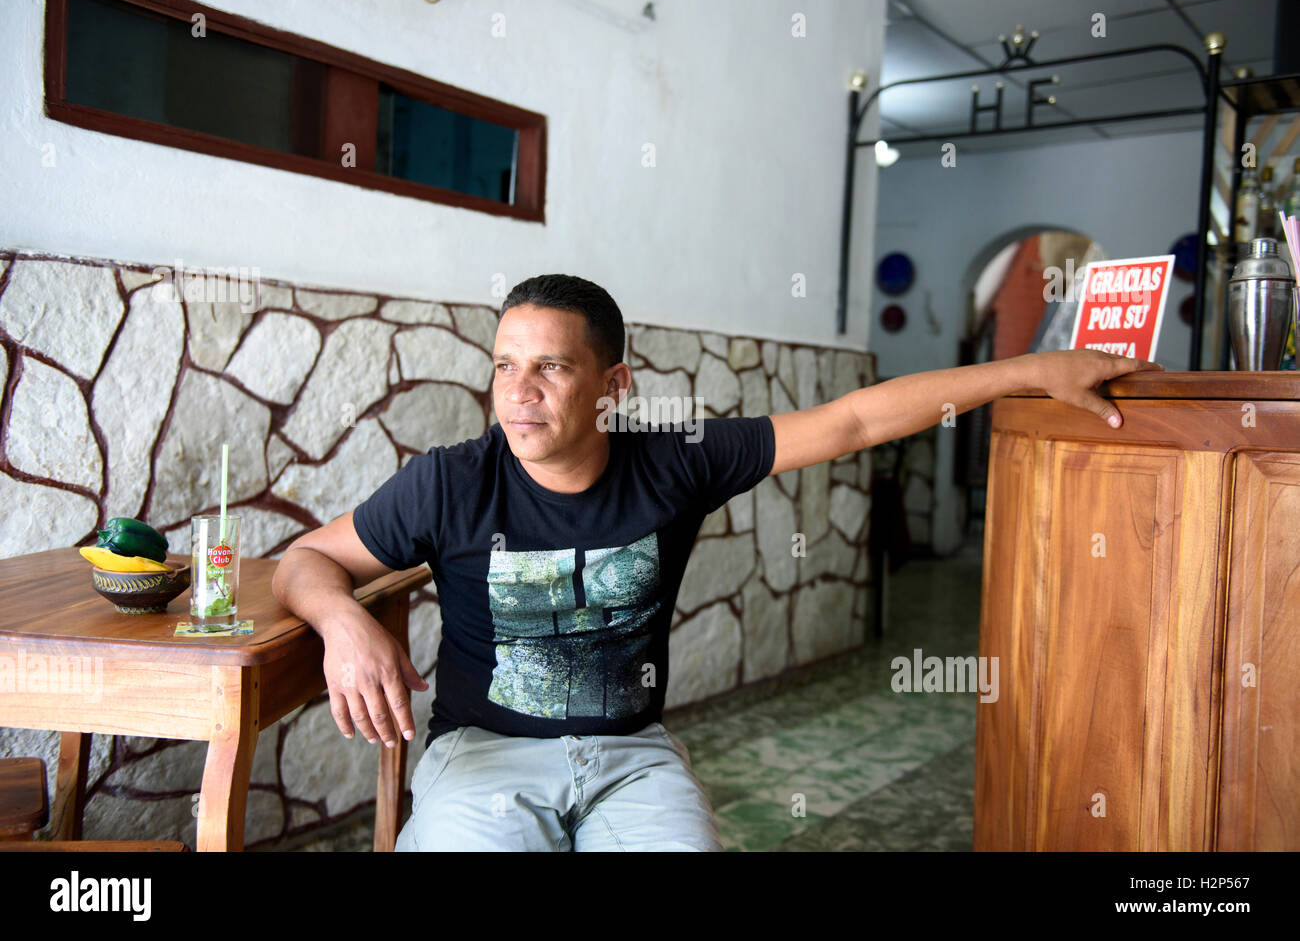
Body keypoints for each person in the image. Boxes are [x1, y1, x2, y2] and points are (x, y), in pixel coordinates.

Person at [270, 273, 1162, 851]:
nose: (520, 390)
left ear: (615, 387)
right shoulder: (450, 483)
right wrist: (341, 618)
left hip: (632, 758)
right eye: (506, 365)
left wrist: (1033, 370)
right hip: (485, 754)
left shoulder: (678, 457)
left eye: (551, 366)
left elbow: (853, 420)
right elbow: (303, 559)